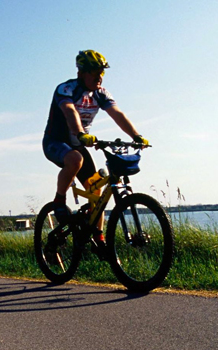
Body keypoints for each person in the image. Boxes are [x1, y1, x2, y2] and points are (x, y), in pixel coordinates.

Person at [42, 49, 149, 250]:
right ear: (81, 72)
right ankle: (59, 200)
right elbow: (70, 111)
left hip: (79, 144)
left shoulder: (101, 94)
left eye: (102, 72)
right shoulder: (66, 89)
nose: (99, 76)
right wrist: (80, 133)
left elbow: (117, 114)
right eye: (94, 71)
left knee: (96, 189)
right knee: (75, 160)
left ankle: (98, 236)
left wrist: (135, 136)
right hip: (54, 142)